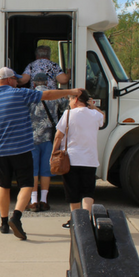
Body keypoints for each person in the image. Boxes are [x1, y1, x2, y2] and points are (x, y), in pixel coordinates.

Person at [0, 67, 81, 240]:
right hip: (22, 149)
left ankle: (3, 223)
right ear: (9, 80)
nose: (18, 82)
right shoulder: (20, 94)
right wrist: (71, 91)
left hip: (0, 151)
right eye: (16, 79)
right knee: (26, 185)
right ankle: (16, 217)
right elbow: (46, 95)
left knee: (4, 186)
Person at [51, 89, 105, 228]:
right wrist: (91, 106)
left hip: (72, 158)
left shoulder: (68, 114)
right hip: (90, 159)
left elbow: (59, 136)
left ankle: (75, 220)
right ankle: (86, 220)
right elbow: (103, 115)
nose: (69, 102)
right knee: (87, 190)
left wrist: (54, 152)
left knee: (72, 190)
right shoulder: (95, 115)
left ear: (75, 99)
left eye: (70, 99)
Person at [28, 72, 69, 211]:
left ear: (34, 83)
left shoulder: (29, 96)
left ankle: (33, 201)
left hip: (31, 139)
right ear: (47, 83)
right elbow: (67, 108)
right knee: (46, 170)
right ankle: (44, 200)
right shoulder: (55, 95)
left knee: (33, 171)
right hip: (49, 138)